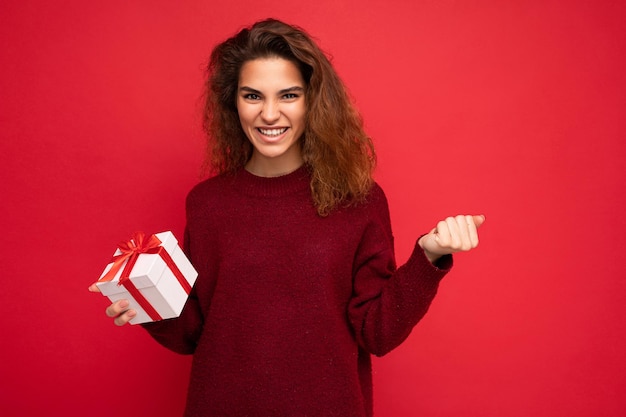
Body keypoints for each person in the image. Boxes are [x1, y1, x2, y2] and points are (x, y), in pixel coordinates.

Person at [89, 18, 484, 417]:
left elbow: (377, 332)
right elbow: (194, 333)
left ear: (312, 100)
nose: (270, 114)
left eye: (289, 95)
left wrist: (428, 258)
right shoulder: (207, 204)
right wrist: (145, 303)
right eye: (253, 96)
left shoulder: (358, 201)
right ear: (234, 102)